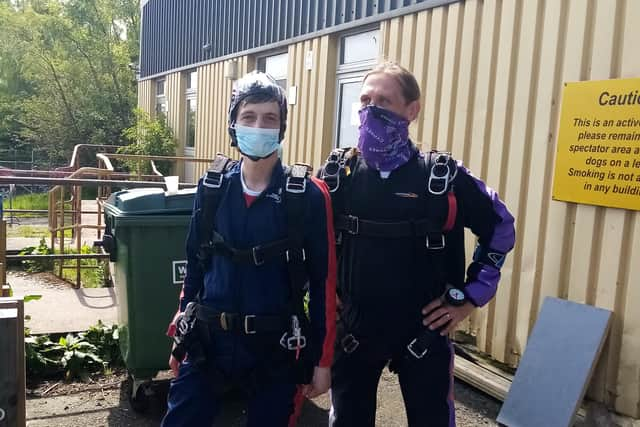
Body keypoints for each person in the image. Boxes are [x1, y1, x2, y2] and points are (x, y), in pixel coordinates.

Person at [320, 62, 516, 427]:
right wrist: (320, 291)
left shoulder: (442, 177)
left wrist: (471, 295)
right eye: (365, 100)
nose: (371, 109)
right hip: (354, 329)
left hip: (424, 330)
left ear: (412, 110)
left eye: (385, 101)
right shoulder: (337, 176)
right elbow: (307, 240)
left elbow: (501, 228)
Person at [162, 72, 336, 427]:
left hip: (276, 347)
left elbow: (324, 284)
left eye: (270, 118)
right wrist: (180, 323)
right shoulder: (211, 188)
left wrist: (322, 361)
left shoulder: (307, 196)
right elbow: (196, 262)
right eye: (249, 117)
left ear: (282, 127)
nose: (259, 126)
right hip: (209, 340)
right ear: (233, 123)